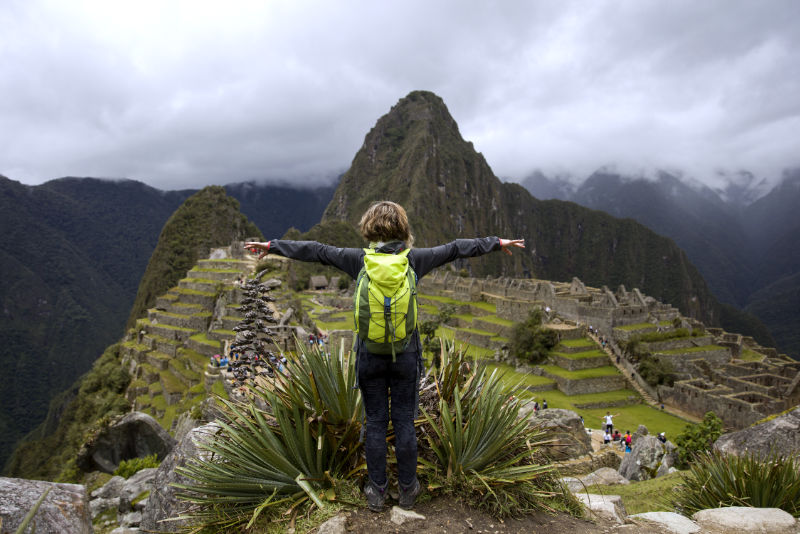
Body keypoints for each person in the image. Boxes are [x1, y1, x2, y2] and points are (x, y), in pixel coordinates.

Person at [245, 200, 524, 512]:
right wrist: (496, 244)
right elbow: (457, 248)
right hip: (406, 355)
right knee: (404, 420)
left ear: (368, 230)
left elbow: (316, 250)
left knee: (375, 421)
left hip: (370, 356)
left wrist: (272, 246)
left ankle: (376, 490)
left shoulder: (357, 261)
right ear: (403, 230)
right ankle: (407, 489)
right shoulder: (416, 260)